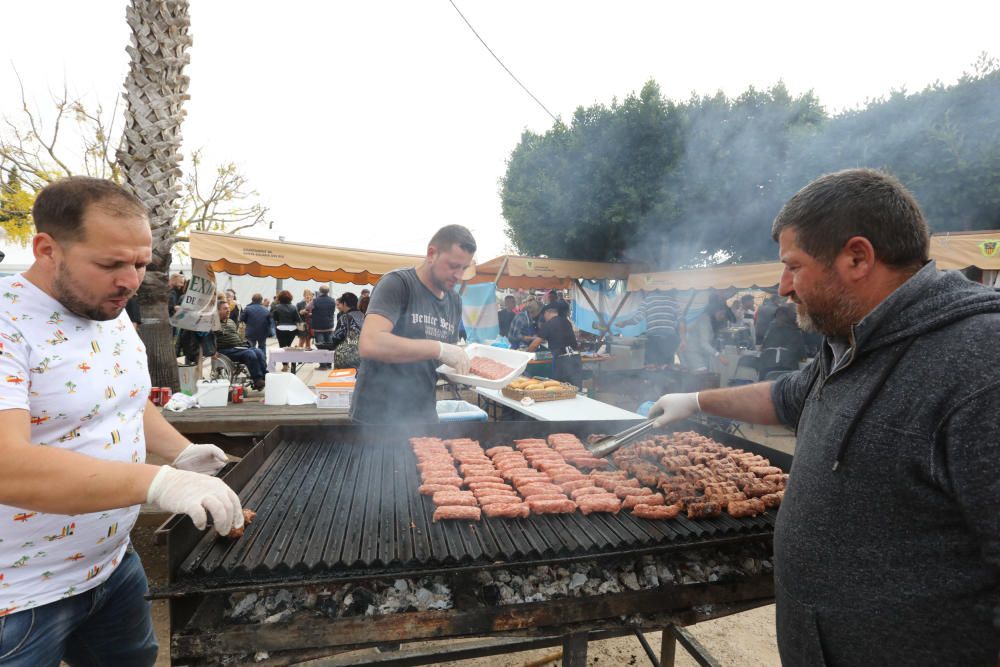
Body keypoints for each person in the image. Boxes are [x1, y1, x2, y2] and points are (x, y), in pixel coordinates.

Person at [648, 168, 1000, 665]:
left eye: (793, 266)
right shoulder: (851, 345)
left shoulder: (982, 364)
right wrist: (697, 401)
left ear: (857, 257)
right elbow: (786, 396)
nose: (783, 287)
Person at [0, 176, 243, 665]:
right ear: (47, 248)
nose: (130, 281)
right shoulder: (9, 325)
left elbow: (126, 399)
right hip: (19, 596)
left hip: (112, 566)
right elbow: (7, 466)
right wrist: (158, 483)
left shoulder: (108, 313)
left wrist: (180, 453)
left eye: (140, 263)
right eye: (111, 264)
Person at [351, 225, 475, 424]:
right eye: (453, 266)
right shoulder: (398, 284)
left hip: (423, 416)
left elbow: (441, 362)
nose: (459, 275)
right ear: (431, 254)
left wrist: (465, 364)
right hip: (376, 418)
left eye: (464, 268)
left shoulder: (454, 301)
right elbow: (370, 343)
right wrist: (439, 349)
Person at [617, 289, 684, 368]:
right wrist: (683, 339)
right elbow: (681, 321)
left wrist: (624, 323)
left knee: (652, 367)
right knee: (667, 368)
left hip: (654, 340)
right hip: (670, 339)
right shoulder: (673, 301)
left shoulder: (648, 300)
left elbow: (637, 318)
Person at [212, 300, 267, 390]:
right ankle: (257, 379)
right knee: (250, 354)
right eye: (225, 308)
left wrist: (244, 341)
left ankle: (265, 376)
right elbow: (209, 338)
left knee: (259, 352)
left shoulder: (231, 322)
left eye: (229, 308)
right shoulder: (213, 324)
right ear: (218, 311)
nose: (228, 310)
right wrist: (212, 351)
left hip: (239, 348)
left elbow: (237, 335)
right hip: (225, 351)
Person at [527, 301, 582, 387]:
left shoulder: (548, 325)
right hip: (576, 358)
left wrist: (526, 355)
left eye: (544, 315)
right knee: (576, 390)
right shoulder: (566, 322)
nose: (544, 317)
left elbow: (534, 345)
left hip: (563, 361)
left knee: (560, 389)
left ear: (546, 313)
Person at [756, 304, 806, 380]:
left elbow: (763, 347)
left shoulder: (771, 330)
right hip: (788, 369)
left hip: (767, 368)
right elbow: (802, 355)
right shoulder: (795, 332)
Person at [680, 301, 729, 371]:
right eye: (721, 313)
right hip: (692, 351)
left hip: (700, 352)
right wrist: (719, 355)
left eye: (724, 314)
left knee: (702, 376)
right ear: (714, 311)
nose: (723, 316)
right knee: (702, 376)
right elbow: (704, 343)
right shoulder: (704, 320)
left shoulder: (711, 321)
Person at [330, 291, 365, 368]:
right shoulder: (364, 316)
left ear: (344, 304)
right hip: (365, 358)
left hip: (348, 359)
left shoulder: (345, 318)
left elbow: (336, 338)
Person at [308, 285, 338, 368]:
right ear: (327, 292)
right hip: (329, 326)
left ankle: (323, 365)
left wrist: (312, 313)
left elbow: (307, 308)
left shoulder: (315, 300)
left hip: (318, 327)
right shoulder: (332, 300)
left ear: (320, 291)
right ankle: (329, 364)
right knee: (329, 346)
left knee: (321, 346)